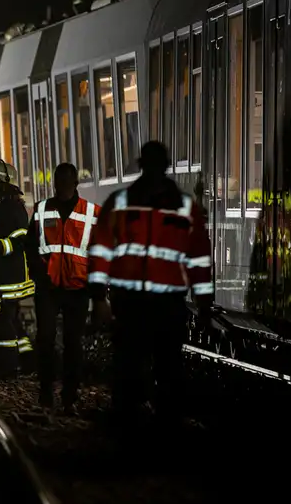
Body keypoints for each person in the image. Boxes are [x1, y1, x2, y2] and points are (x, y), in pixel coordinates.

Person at [88, 141, 213, 429]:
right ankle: (153, 422)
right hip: (154, 303)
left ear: (141, 165)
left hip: (140, 302)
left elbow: (101, 251)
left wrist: (98, 298)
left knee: (140, 364)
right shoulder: (184, 208)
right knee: (158, 365)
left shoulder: (121, 203)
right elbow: (199, 261)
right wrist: (204, 305)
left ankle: (141, 422)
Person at [28, 163, 100, 414]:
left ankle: (69, 395)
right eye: (59, 182)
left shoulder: (91, 212)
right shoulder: (41, 210)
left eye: (66, 181)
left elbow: (99, 252)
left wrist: (97, 289)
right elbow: (31, 246)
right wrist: (38, 274)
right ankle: (46, 392)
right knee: (45, 338)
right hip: (48, 287)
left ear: (74, 184)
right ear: (55, 184)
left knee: (73, 343)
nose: (62, 186)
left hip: (77, 287)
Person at [0, 161, 43, 379]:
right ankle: (25, 362)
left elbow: (19, 240)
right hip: (1, 277)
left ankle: (7, 368)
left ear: (4, 184)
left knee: (3, 323)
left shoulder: (13, 209)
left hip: (12, 279)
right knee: (9, 323)